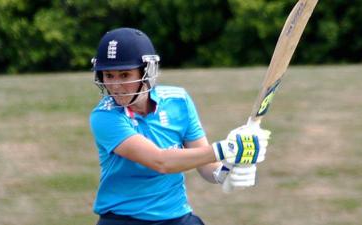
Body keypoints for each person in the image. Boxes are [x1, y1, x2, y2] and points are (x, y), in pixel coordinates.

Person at [89, 27, 271, 225]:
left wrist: (225, 172)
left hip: (177, 217)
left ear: (147, 71)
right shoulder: (104, 117)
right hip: (123, 219)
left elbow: (205, 163)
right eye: (108, 75)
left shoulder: (178, 100)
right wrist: (229, 148)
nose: (115, 85)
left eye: (124, 75)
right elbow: (161, 162)